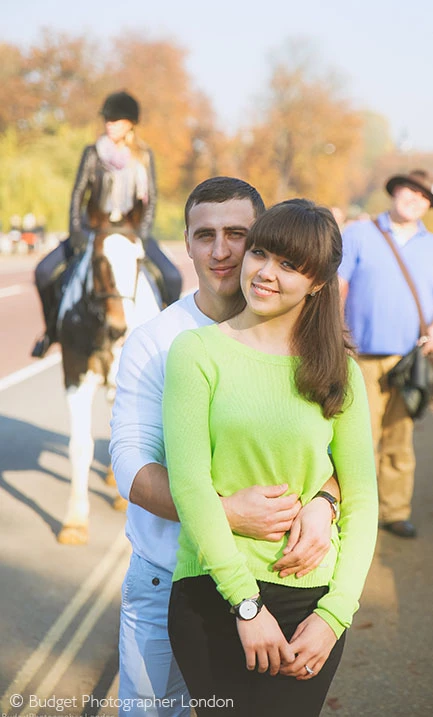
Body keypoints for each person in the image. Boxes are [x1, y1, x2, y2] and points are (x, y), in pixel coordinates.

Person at [110, 178, 341, 717]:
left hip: (271, 581)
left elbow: (339, 453)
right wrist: (223, 512)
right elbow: (130, 467)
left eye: (237, 234)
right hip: (167, 577)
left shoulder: (305, 338)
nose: (220, 251)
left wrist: (324, 502)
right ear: (186, 244)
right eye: (203, 234)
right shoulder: (156, 341)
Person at [162, 198, 378, 717]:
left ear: (318, 283)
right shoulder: (197, 352)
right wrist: (244, 602)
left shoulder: (339, 373)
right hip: (214, 590)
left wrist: (336, 614)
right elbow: (190, 485)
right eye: (260, 253)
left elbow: (363, 497)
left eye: (289, 265)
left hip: (312, 603)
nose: (264, 273)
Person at [31, 90, 182, 358]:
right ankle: (51, 331)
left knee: (172, 277)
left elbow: (152, 197)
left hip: (132, 231)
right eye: (108, 120)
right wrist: (76, 232)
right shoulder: (92, 154)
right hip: (93, 230)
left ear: (130, 124)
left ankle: (170, 338)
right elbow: (78, 194)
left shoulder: (144, 156)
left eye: (116, 120)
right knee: (43, 272)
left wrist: (143, 234)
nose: (109, 124)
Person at [339, 169, 433, 538]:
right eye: (409, 189)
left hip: (410, 358)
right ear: (395, 192)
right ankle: (353, 511)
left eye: (423, 195)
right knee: (359, 438)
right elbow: (338, 285)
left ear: (427, 205)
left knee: (399, 436)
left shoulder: (430, 245)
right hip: (361, 355)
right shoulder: (361, 233)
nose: (414, 197)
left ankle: (395, 510)